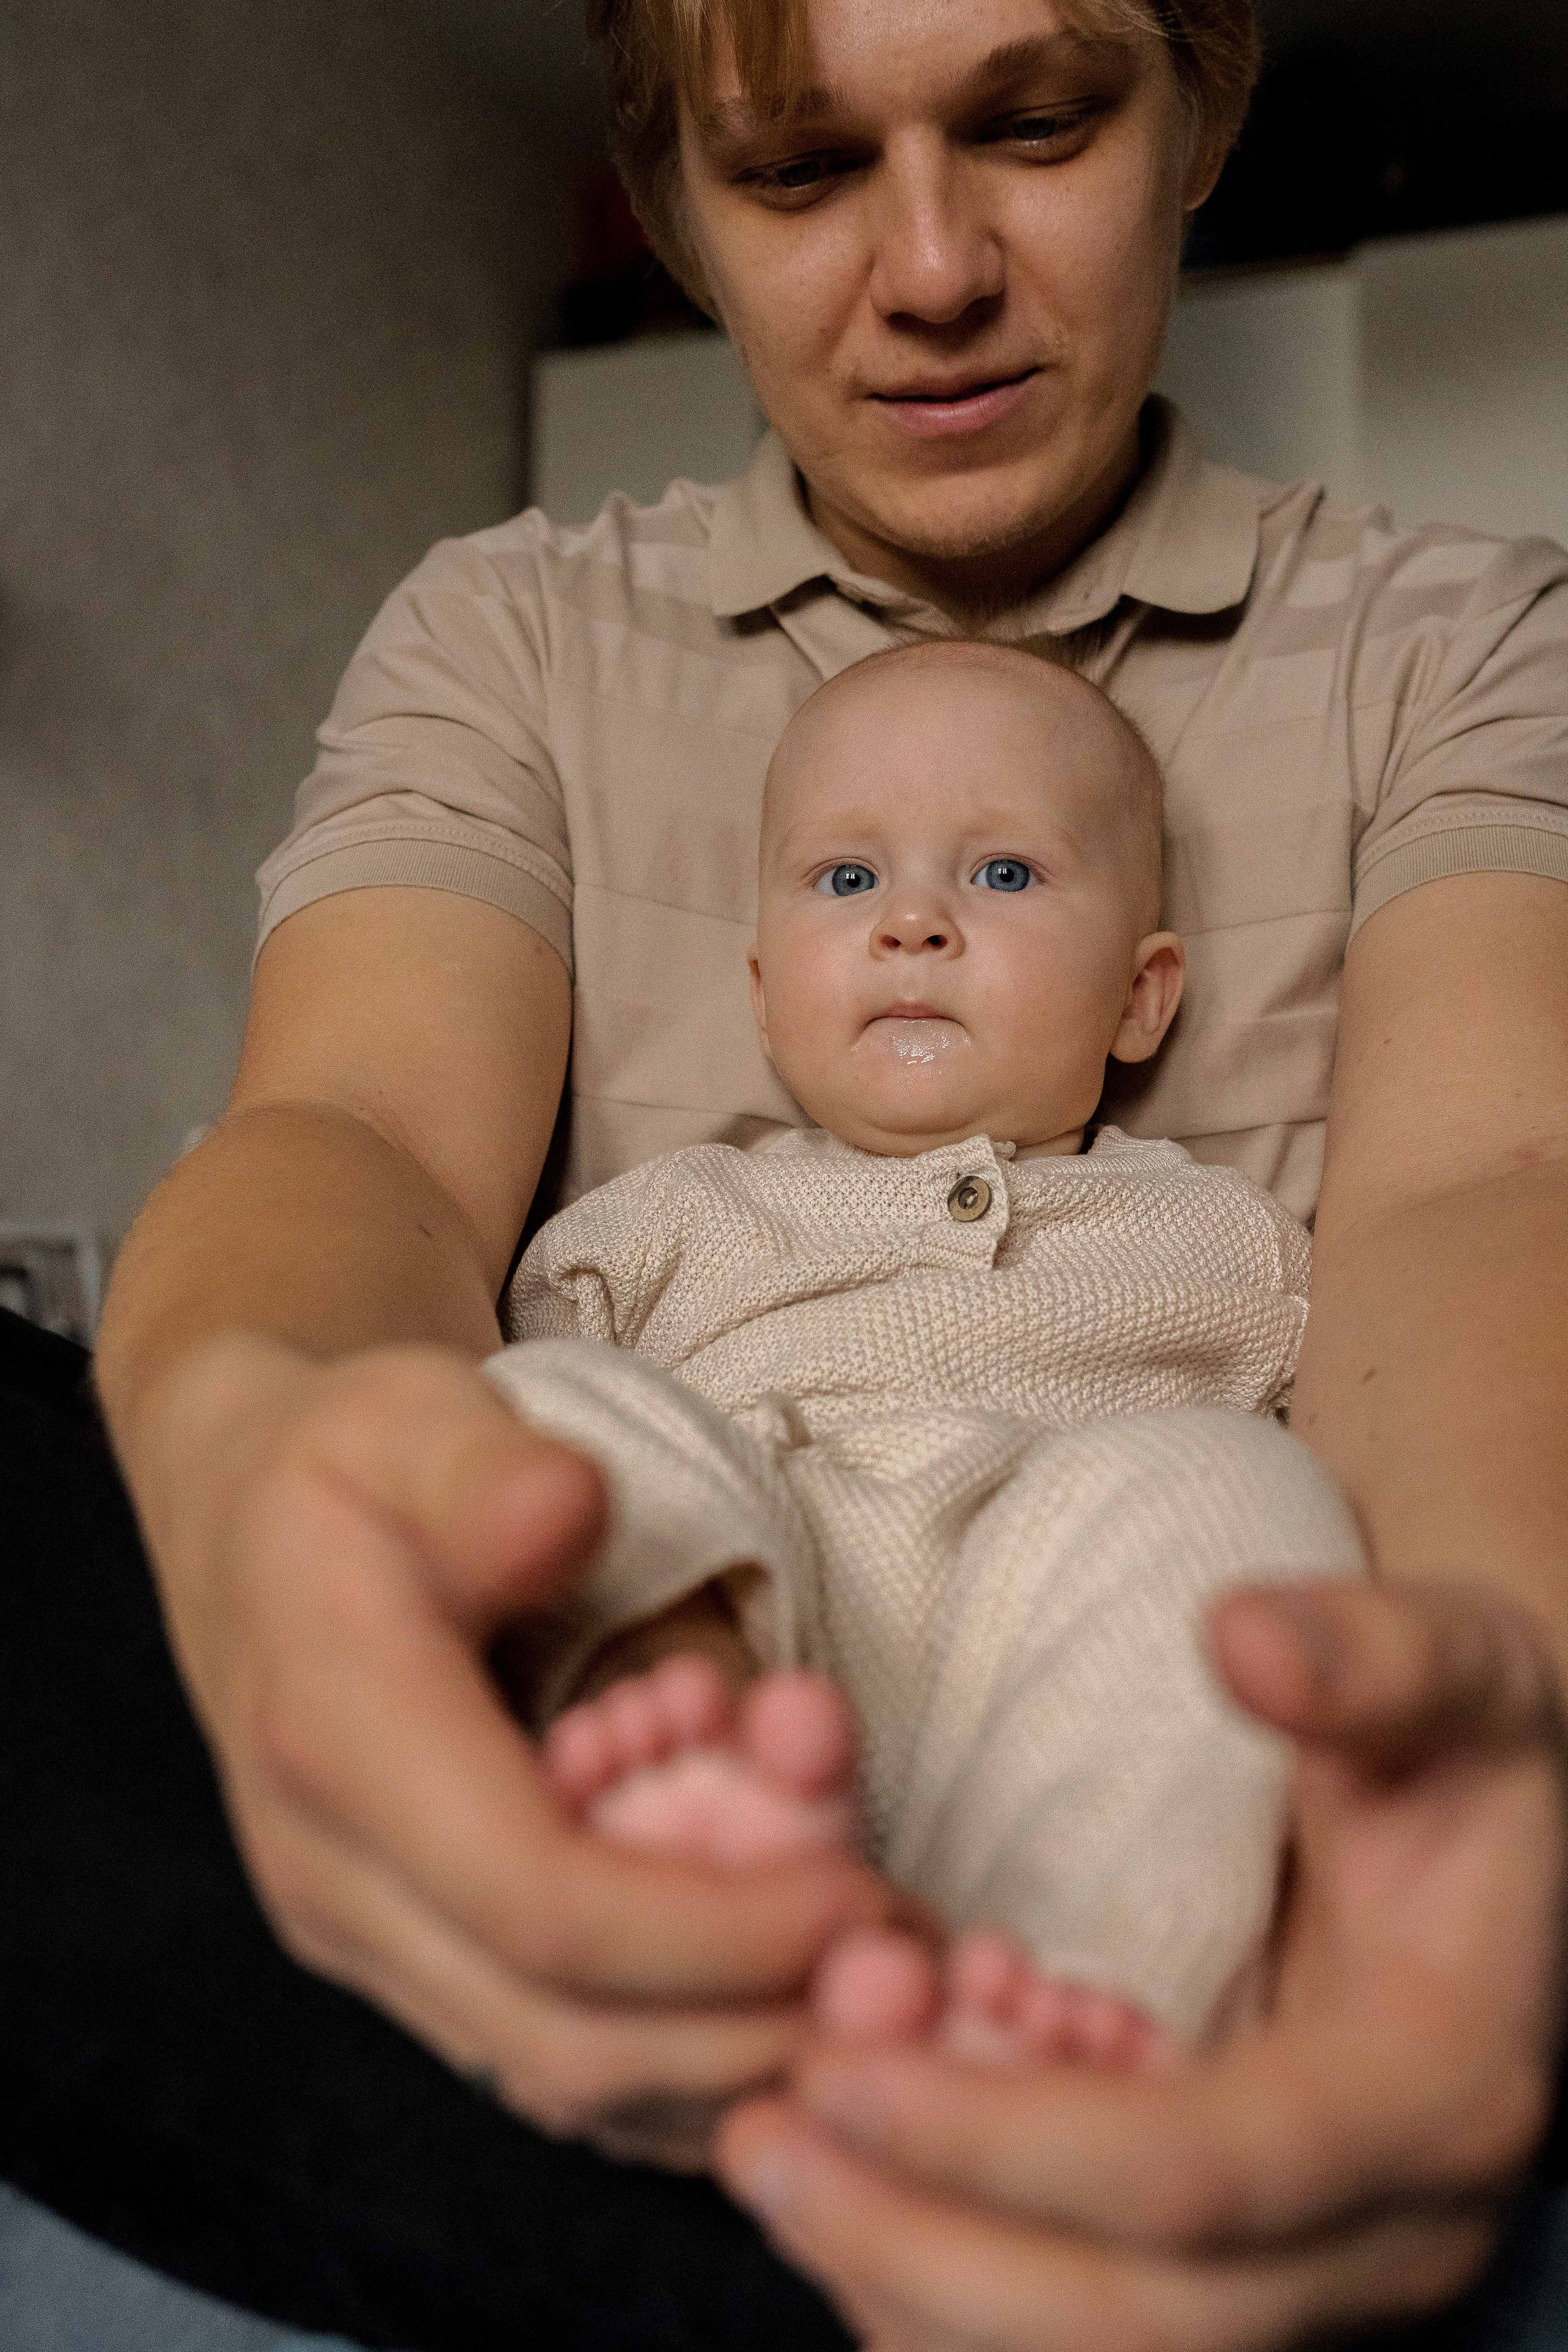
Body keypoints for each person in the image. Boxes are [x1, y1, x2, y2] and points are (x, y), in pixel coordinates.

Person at [56, 0, 1567, 2340]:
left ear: (1209, 106)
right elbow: (351, 1150)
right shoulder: (515, 635)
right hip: (723, 1661)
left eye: (1038, 122)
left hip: (1100, 1698)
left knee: (1223, 1511)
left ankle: (1069, 2037)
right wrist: (267, 1456)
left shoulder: (1464, 643)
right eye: (797, 170)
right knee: (558, 1423)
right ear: (668, 207)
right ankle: (678, 1809)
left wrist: (1490, 1697)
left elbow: (1479, 1204)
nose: (935, 264)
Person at [491, 638, 1365, 2063]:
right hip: (761, 1619)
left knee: (1233, 1493)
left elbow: (1350, 1448)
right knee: (551, 1407)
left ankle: (1067, 1992)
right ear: (768, 994)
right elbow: (516, 1454)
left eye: (1002, 875)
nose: (912, 924)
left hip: (1047, 1707)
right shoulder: (660, 1221)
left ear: (1142, 997)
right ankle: (683, 1764)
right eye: (849, 880)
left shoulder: (1228, 1242)